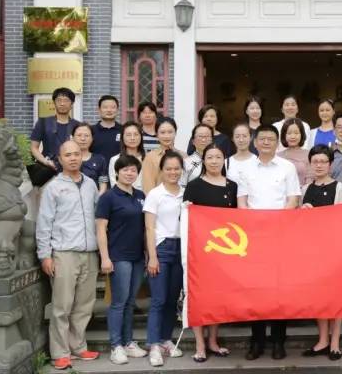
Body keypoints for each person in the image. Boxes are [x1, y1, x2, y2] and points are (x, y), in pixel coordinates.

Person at [237, 124, 301, 361]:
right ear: (255, 142)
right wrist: (255, 225)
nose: (266, 142)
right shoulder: (245, 169)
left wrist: (277, 223)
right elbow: (242, 202)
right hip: (253, 238)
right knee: (255, 290)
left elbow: (293, 199)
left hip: (280, 236)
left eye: (271, 139)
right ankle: (257, 341)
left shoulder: (287, 167)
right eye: (262, 139)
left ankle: (278, 341)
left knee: (279, 290)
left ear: (277, 142)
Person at [35, 140, 100, 370]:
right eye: (68, 155)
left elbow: (98, 218)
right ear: (60, 159)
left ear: (82, 156)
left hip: (89, 253)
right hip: (63, 253)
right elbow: (44, 223)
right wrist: (45, 255)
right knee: (62, 306)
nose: (73, 158)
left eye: (76, 154)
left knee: (84, 305)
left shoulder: (91, 184)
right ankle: (60, 352)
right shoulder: (53, 187)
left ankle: (78, 347)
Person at [183, 144, 238, 362]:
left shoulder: (232, 186)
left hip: (225, 251)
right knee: (199, 297)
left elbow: (238, 218)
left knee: (218, 297)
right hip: (200, 251)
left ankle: (214, 341)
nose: (214, 161)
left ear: (224, 160)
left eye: (218, 157)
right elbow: (186, 219)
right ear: (203, 160)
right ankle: (200, 344)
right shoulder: (194, 186)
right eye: (210, 157)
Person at [95, 155, 147, 365]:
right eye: (125, 169)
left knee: (130, 302)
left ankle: (128, 343)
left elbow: (146, 227)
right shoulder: (108, 197)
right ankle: (116, 345)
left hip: (138, 257)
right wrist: (105, 257)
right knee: (119, 302)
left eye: (133, 170)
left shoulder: (141, 195)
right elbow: (100, 229)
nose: (129, 173)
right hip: (118, 256)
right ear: (117, 172)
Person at [301, 145, 342, 361]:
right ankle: (322, 340)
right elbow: (298, 223)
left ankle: (335, 341)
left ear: (330, 164)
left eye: (323, 161)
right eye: (315, 161)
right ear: (310, 164)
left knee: (336, 296)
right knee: (318, 296)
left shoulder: (339, 188)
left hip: (334, 250)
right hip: (311, 251)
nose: (319, 165)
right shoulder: (305, 189)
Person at [143, 151, 186, 367]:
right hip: (161, 248)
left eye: (176, 168)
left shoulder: (186, 193)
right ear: (162, 170)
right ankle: (153, 345)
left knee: (172, 299)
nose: (173, 172)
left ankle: (166, 339)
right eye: (168, 168)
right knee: (158, 300)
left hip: (181, 248)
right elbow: (149, 227)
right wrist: (152, 257)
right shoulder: (155, 194)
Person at [30, 87, 80, 171]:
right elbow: (33, 148)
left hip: (71, 169)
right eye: (59, 100)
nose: (62, 104)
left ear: (72, 104)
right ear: (54, 102)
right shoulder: (43, 122)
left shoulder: (78, 125)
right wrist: (45, 161)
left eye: (66, 100)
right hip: (47, 169)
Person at [142, 117, 184, 194]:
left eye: (170, 132)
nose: (166, 136)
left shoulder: (183, 156)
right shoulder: (150, 157)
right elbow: (148, 186)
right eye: (162, 132)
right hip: (159, 199)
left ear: (175, 133)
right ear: (157, 134)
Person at [109, 121, 145, 191]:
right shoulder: (115, 160)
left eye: (136, 134)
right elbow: (114, 185)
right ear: (122, 137)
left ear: (141, 137)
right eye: (128, 135)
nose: (132, 138)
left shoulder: (148, 159)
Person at [72, 123, 108, 193]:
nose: (83, 139)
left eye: (86, 135)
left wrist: (97, 198)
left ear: (92, 138)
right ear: (72, 138)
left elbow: (103, 185)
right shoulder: (66, 159)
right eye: (79, 135)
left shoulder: (100, 159)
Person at [278, 118, 314, 187]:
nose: (293, 136)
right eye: (289, 133)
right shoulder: (278, 156)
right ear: (284, 135)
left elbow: (310, 181)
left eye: (296, 133)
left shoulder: (309, 155)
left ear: (302, 134)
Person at [91, 95, 122, 165]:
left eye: (113, 107)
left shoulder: (124, 130)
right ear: (99, 110)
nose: (109, 110)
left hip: (119, 170)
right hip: (95, 170)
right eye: (105, 107)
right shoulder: (90, 131)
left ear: (117, 110)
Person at [226, 123, 257, 187]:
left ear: (251, 137)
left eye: (245, 136)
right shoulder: (226, 163)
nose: (241, 140)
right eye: (237, 136)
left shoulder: (258, 161)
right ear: (232, 139)